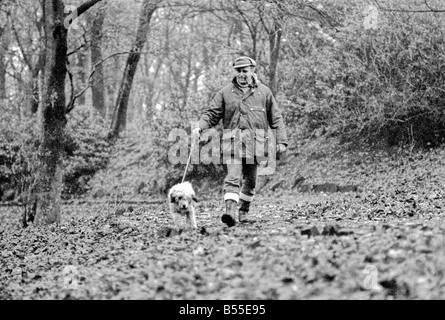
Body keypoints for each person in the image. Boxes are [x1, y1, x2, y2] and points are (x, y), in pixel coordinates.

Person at [193, 56, 288, 227]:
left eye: (245, 71)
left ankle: (243, 212)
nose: (242, 74)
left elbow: (276, 118)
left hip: (256, 143)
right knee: (233, 176)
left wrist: (281, 141)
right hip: (233, 142)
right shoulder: (225, 93)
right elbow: (211, 113)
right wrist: (200, 126)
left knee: (250, 181)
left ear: (253, 70)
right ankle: (230, 213)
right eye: (239, 71)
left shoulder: (264, 92)